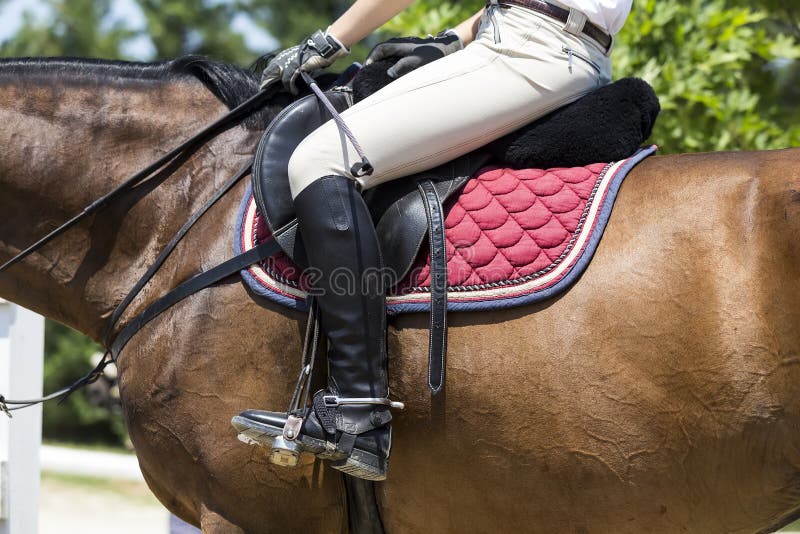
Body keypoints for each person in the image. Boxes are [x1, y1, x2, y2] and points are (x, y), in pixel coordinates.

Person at [232, 0, 633, 481]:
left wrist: (328, 41)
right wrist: (451, 39)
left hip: (528, 51)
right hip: (557, 47)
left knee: (318, 160)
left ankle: (357, 410)